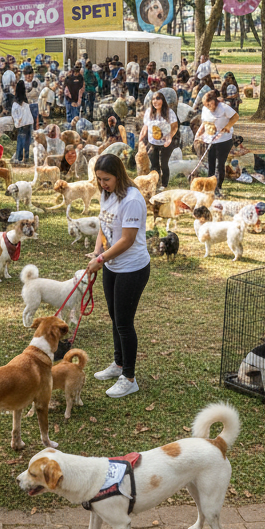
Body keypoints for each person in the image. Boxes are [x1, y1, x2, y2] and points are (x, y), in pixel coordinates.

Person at [86, 153, 150, 399]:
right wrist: (97, 250)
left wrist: (100, 259)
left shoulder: (132, 199)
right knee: (115, 318)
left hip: (132, 268)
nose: (102, 184)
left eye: (106, 179)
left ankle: (129, 378)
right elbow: (104, 223)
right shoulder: (107, 194)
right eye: (99, 179)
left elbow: (127, 239)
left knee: (124, 322)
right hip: (112, 266)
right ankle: (119, 364)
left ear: (119, 175)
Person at [196, 90, 238, 197]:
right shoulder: (205, 109)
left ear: (214, 101)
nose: (208, 106)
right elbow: (204, 123)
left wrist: (228, 126)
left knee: (219, 164)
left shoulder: (224, 108)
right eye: (206, 105)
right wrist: (199, 134)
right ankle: (210, 186)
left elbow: (235, 117)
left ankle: (218, 187)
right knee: (211, 163)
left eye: (209, 104)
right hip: (210, 139)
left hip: (224, 140)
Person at [140, 91, 179, 189]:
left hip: (166, 143)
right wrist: (140, 140)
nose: (155, 101)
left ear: (163, 101)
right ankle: (155, 183)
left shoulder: (169, 112)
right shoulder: (149, 112)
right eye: (153, 99)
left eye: (158, 99)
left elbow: (174, 127)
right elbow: (145, 127)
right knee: (154, 164)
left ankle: (164, 185)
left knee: (164, 164)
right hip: (152, 142)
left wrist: (169, 138)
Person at [12, 80, 34, 164]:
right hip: (28, 123)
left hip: (21, 124)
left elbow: (14, 114)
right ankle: (26, 158)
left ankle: (19, 158)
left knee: (20, 141)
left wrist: (17, 123)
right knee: (27, 143)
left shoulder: (15, 103)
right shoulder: (25, 101)